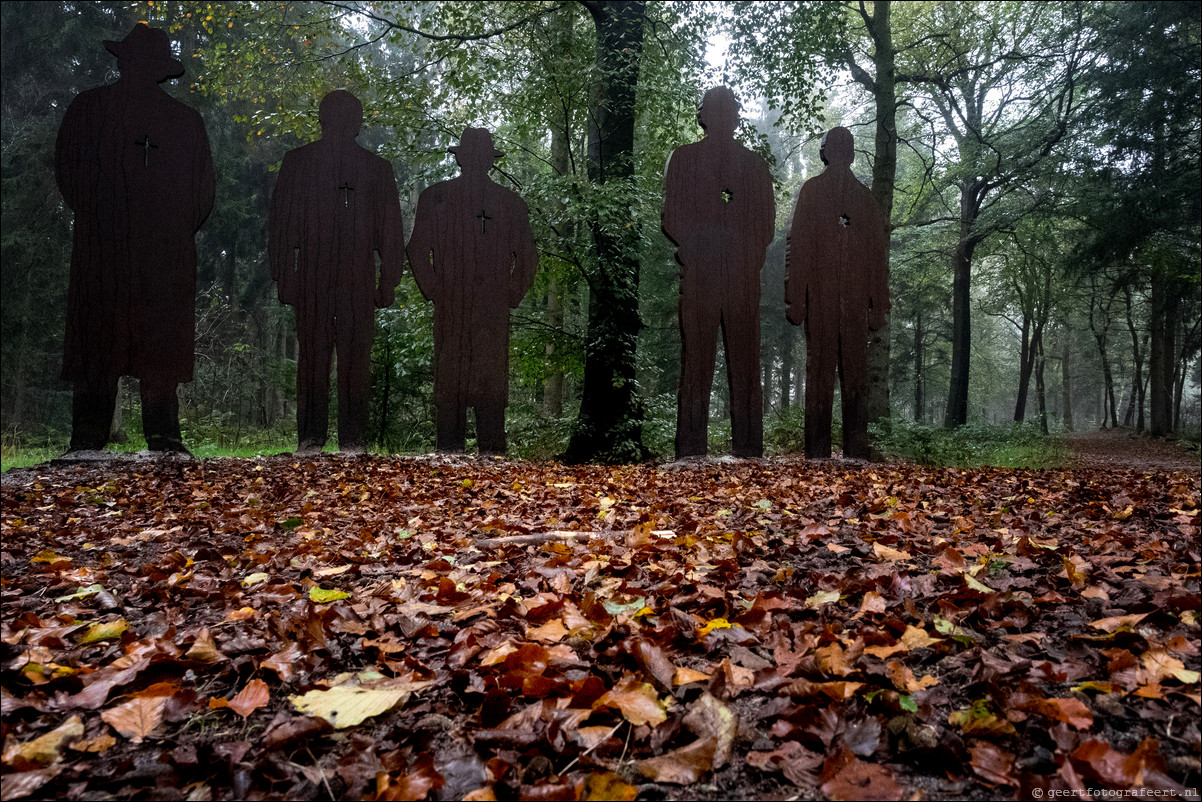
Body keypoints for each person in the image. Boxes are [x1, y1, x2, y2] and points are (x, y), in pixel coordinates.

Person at [55, 23, 215, 453]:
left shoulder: (182, 122)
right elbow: (70, 172)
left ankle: (158, 436)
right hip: (115, 248)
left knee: (153, 342)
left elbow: (201, 191)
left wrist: (164, 231)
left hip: (145, 250)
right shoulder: (90, 110)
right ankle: (93, 438)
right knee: (101, 339)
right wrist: (106, 221)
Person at [269, 90, 405, 454]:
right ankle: (313, 438)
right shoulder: (298, 163)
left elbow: (390, 232)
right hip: (314, 277)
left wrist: (388, 279)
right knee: (315, 354)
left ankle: (351, 438)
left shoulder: (377, 170)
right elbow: (282, 225)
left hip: (354, 279)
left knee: (354, 355)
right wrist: (285, 275)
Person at [406, 128, 537, 454]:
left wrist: (509, 294)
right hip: (453, 304)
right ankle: (449, 451)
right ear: (461, 158)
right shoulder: (435, 198)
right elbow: (417, 250)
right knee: (451, 374)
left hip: (490, 308)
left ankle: (491, 451)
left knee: (490, 378)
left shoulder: (511, 205)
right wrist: (436, 289)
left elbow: (528, 257)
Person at [662, 86, 775, 459]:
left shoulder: (754, 165)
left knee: (744, 360)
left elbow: (765, 225)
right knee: (697, 358)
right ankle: (692, 446)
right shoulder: (683, 159)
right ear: (704, 116)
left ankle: (748, 446)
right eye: (718, 110)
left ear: (735, 117)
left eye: (730, 110)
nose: (725, 117)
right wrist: (697, 249)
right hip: (700, 274)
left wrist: (746, 255)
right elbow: (671, 216)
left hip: (739, 277)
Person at [785, 126, 889, 459]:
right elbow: (798, 248)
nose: (839, 153)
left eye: (844, 148)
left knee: (851, 371)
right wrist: (796, 299)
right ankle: (819, 450)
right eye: (835, 147)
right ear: (828, 152)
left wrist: (878, 304)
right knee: (821, 371)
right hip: (821, 300)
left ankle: (852, 447)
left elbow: (877, 255)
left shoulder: (862, 199)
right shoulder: (814, 193)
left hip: (853, 302)